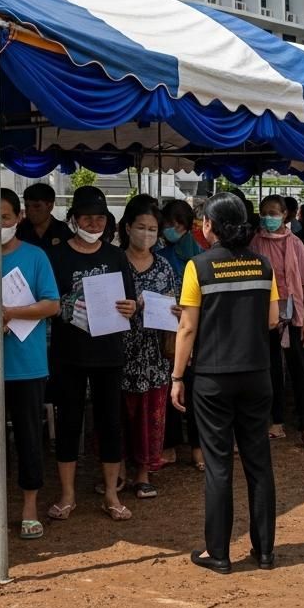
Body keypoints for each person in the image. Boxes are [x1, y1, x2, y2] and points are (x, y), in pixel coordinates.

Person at [171, 192, 280, 574]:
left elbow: (187, 328)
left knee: (219, 467)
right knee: (259, 464)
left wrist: (177, 376)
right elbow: (272, 320)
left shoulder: (197, 266)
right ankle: (265, 551)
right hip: (256, 374)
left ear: (209, 227)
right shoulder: (263, 265)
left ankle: (218, 553)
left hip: (214, 379)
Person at [46, 185, 137, 522]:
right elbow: (48, 302)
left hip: (108, 350)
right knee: (69, 422)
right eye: (87, 217)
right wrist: (65, 308)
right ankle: (67, 494)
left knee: (110, 422)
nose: (94, 223)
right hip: (69, 352)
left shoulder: (115, 256)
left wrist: (130, 307)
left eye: (100, 218)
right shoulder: (56, 256)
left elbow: (129, 301)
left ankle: (111, 494)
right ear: (73, 219)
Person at [0, 190, 59, 540]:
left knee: (28, 439)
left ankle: (28, 508)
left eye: (6, 217)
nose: (0, 224)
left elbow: (52, 304)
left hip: (28, 365)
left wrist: (11, 314)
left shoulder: (36, 256)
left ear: (18, 217)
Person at [119, 195, 178, 498]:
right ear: (128, 227)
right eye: (141, 227)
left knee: (150, 413)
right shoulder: (113, 260)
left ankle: (143, 474)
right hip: (119, 353)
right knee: (118, 414)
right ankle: (115, 472)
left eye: (153, 229)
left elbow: (175, 299)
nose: (147, 234)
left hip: (155, 354)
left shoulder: (165, 266)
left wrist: (176, 309)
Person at [250, 195, 304, 448]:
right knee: (271, 371)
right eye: (265, 213)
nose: (269, 217)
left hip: (295, 315)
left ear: (285, 215)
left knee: (300, 370)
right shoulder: (255, 243)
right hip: (265, 317)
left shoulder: (296, 244)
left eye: (274, 213)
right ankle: (276, 421)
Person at [156, 199, 204, 470]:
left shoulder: (197, 256)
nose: (171, 228)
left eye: (177, 223)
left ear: (187, 225)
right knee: (174, 388)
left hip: (190, 329)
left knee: (189, 388)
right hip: (169, 329)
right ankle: (179, 447)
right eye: (168, 224)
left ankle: (191, 447)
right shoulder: (163, 254)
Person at [16, 182, 72, 251]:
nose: (30, 211)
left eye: (36, 206)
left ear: (50, 206)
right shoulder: (20, 230)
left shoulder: (63, 230)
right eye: (27, 206)